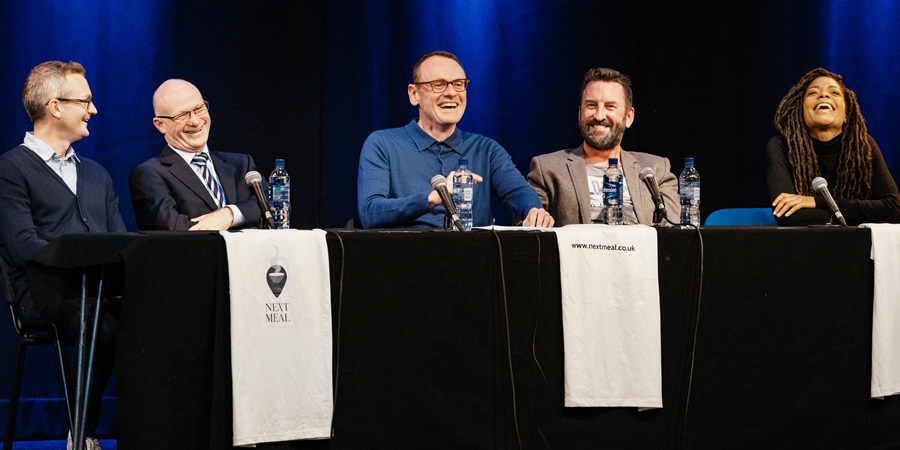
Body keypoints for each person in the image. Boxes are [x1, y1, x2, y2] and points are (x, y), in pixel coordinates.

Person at [0, 61, 125, 450]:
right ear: (55, 107)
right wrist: (83, 265)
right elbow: (23, 245)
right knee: (100, 321)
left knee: (158, 315)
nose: (94, 109)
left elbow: (120, 241)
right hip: (44, 295)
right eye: (86, 101)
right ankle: (82, 431)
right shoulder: (11, 169)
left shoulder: (97, 174)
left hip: (100, 292)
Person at [357, 51, 554, 229]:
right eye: (439, 85)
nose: (451, 92)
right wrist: (433, 198)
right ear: (414, 94)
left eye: (459, 84)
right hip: (405, 261)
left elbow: (519, 192)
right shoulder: (382, 144)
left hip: (473, 263)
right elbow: (370, 213)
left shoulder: (486, 150)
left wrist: (533, 211)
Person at [527, 67, 680, 226]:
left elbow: (676, 234)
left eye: (610, 106)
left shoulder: (656, 170)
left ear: (628, 117)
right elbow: (525, 234)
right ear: (580, 114)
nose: (599, 116)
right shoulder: (547, 169)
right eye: (591, 105)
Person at [768, 68, 900, 225]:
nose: (824, 95)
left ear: (846, 115)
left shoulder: (864, 146)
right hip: (802, 245)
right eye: (812, 93)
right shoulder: (781, 146)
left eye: (834, 93)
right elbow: (787, 215)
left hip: (855, 245)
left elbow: (894, 210)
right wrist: (856, 214)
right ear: (800, 111)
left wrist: (819, 202)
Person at [129, 79, 264, 231]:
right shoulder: (150, 174)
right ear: (160, 125)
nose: (194, 121)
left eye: (199, 109)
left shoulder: (241, 164)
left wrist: (230, 214)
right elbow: (174, 230)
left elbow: (275, 207)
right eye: (181, 115)